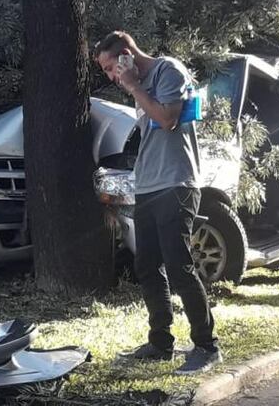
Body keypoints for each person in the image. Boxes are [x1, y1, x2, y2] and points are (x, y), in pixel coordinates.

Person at [93, 31, 221, 374]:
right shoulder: (141, 83)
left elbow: (167, 120)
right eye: (107, 71)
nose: (111, 77)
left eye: (110, 68)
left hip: (176, 183)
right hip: (148, 186)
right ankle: (161, 342)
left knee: (179, 267)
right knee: (148, 267)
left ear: (126, 56)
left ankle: (207, 346)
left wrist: (135, 86)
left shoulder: (168, 72)